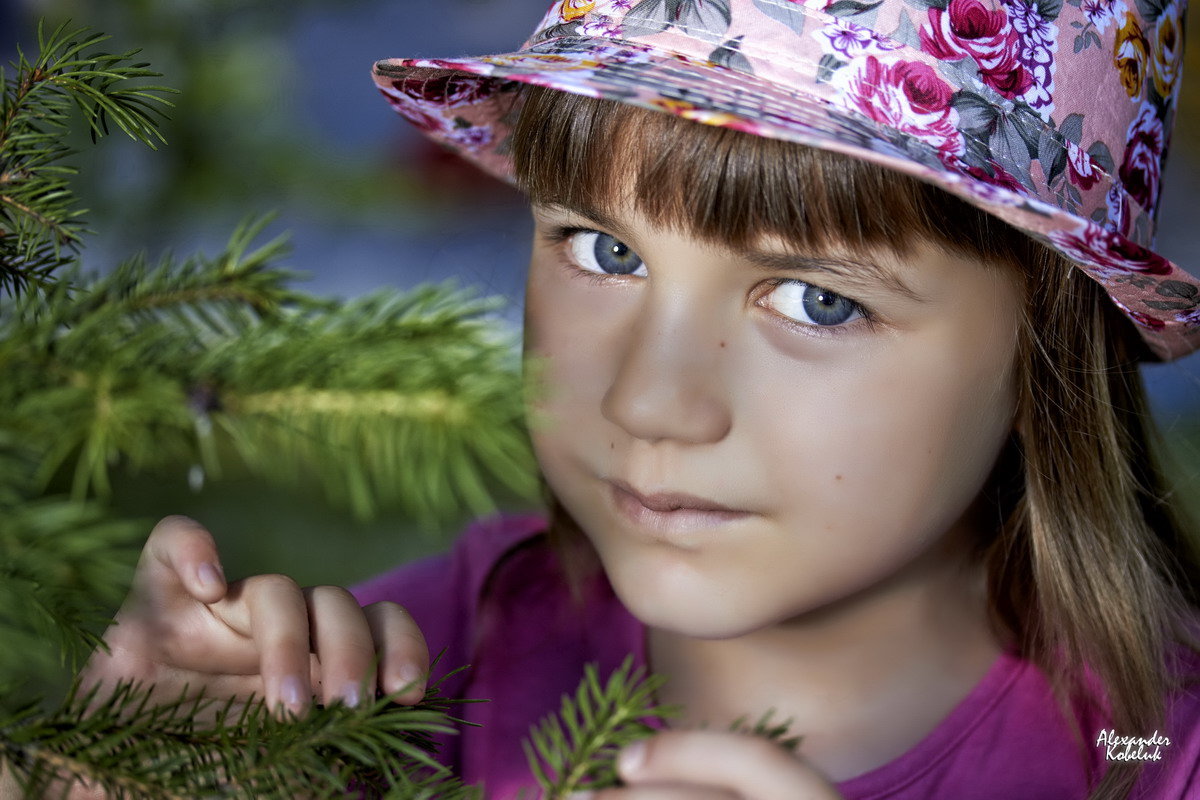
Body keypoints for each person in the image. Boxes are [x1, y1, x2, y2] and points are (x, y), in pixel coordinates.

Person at [77, 0, 1200, 798]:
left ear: (1051, 352)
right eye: (605, 250)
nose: (652, 402)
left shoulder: (1164, 751)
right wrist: (121, 768)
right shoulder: (400, 677)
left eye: (816, 300)